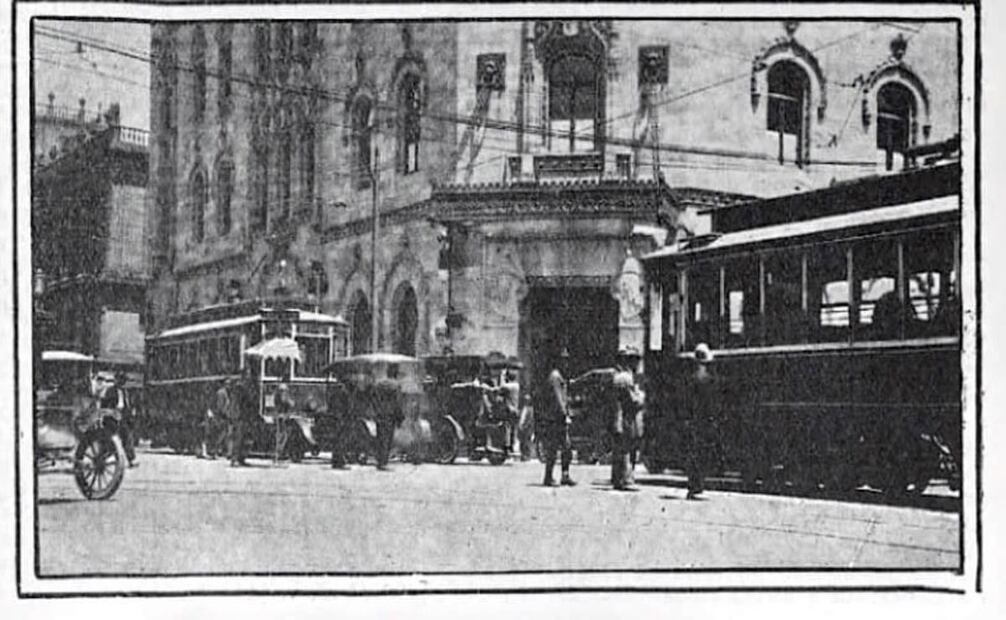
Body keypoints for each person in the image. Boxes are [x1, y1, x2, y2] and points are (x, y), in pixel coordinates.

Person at [682, 343, 720, 499]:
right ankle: (697, 486)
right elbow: (710, 402)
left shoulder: (691, 377)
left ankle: (694, 486)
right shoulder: (706, 378)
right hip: (703, 420)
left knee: (694, 453)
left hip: (693, 420)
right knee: (700, 453)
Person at [537, 349, 575, 487]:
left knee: (564, 448)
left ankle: (562, 475)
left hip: (556, 418)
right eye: (564, 360)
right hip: (556, 419)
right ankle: (551, 476)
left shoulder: (559, 376)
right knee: (557, 448)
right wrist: (565, 415)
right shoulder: (555, 377)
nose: (567, 363)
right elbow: (558, 399)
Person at [610, 347, 644, 491]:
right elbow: (633, 400)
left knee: (620, 448)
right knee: (627, 448)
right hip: (627, 417)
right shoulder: (625, 378)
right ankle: (626, 479)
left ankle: (618, 478)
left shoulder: (618, 375)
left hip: (619, 416)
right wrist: (642, 398)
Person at [100, 371, 138, 467]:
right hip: (111, 417)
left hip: (122, 417)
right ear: (116, 380)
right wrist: (110, 413)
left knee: (127, 437)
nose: (122, 382)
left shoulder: (125, 392)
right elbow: (104, 406)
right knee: (111, 438)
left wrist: (130, 415)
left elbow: (126, 406)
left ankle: (131, 459)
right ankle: (105, 456)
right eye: (120, 380)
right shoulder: (110, 391)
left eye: (123, 380)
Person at [371, 378, 404, 470]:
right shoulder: (396, 386)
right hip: (390, 414)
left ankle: (379, 460)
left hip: (380, 414)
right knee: (387, 438)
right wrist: (400, 417)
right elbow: (398, 402)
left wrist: (376, 411)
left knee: (380, 437)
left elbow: (373, 399)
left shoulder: (378, 384)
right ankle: (383, 461)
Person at [230, 366, 256, 467]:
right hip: (240, 415)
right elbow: (238, 402)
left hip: (246, 415)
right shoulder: (239, 386)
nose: (249, 376)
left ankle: (241, 458)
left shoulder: (248, 385)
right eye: (248, 374)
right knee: (238, 437)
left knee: (245, 438)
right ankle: (234, 459)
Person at [202, 378, 231, 459]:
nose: (229, 386)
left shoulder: (225, 393)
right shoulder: (221, 393)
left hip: (220, 416)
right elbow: (220, 406)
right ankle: (213, 451)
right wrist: (226, 414)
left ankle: (216, 451)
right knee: (219, 434)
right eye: (228, 384)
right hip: (219, 416)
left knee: (221, 434)